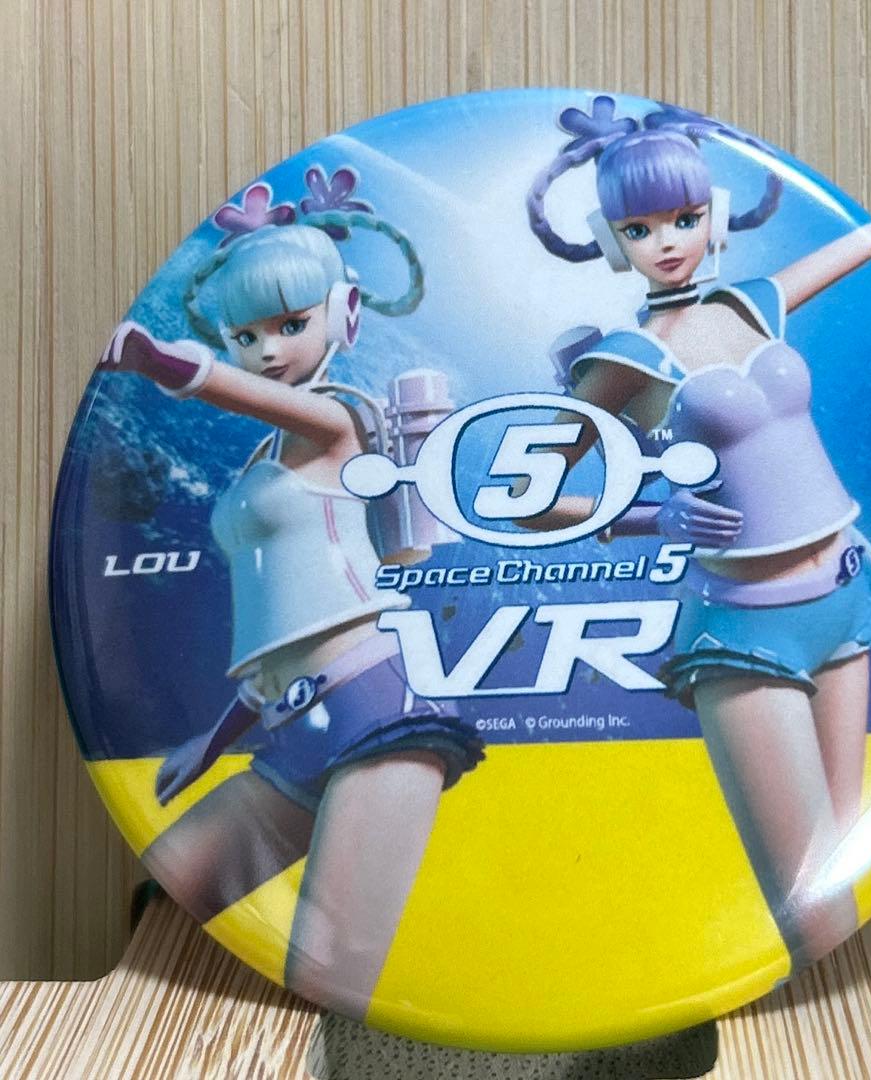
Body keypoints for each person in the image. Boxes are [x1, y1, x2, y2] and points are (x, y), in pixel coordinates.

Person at [97, 170, 483, 1017]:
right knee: (169, 903)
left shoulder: (340, 420)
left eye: (291, 324)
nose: (269, 350)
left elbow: (229, 387)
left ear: (345, 315)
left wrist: (160, 362)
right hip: (288, 725)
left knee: (326, 978)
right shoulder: (261, 460)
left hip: (379, 715)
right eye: (246, 335)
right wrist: (212, 740)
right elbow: (281, 628)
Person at [526, 98, 871, 967]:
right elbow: (528, 501)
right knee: (815, 913)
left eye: (685, 217)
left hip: (847, 598)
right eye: (640, 227)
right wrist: (654, 516)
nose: (667, 241)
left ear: (716, 216)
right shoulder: (627, 360)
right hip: (746, 630)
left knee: (855, 879)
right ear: (610, 239)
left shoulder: (754, 303)